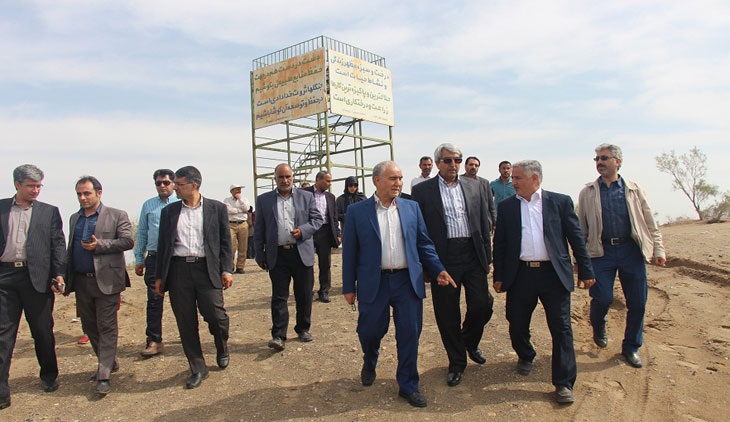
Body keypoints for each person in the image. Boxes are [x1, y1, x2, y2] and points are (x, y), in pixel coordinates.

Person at [342, 160, 455, 408]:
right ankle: (370, 359)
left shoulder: (411, 208)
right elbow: (349, 252)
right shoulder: (357, 212)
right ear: (377, 180)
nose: (398, 183)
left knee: (409, 334)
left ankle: (408, 385)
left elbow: (424, 243)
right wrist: (348, 286)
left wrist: (438, 269)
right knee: (369, 331)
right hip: (375, 282)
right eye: (393, 178)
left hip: (407, 281)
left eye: (400, 178)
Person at [492, 160, 595, 404]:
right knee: (516, 322)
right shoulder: (507, 207)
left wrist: (586, 270)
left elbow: (576, 238)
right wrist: (499, 275)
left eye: (518, 178)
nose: (513, 182)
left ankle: (564, 383)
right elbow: (501, 244)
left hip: (553, 275)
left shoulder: (559, 202)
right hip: (521, 275)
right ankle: (526, 354)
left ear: (535, 178)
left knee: (561, 328)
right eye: (513, 178)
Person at [411, 143, 494, 387]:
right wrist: (428, 266)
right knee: (447, 313)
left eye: (457, 160)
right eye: (448, 160)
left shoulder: (475, 186)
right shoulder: (423, 191)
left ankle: (468, 340)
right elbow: (419, 231)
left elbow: (484, 223)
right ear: (438, 163)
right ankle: (457, 362)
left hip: (472, 253)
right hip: (443, 258)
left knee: (482, 304)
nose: (453, 164)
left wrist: (487, 258)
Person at [577, 144, 667, 368]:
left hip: (631, 251)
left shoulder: (634, 190)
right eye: (597, 159)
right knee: (602, 298)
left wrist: (659, 249)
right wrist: (580, 260)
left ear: (617, 162)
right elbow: (581, 229)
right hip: (601, 252)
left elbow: (650, 223)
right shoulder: (588, 192)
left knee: (638, 302)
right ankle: (599, 326)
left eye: (604, 158)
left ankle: (631, 347)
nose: (599, 162)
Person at [154, 166, 233, 389]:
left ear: (194, 185)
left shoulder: (216, 208)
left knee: (216, 316)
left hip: (207, 269)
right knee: (185, 321)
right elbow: (163, 246)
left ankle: (221, 345)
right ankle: (198, 367)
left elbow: (225, 242)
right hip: (178, 271)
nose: (174, 188)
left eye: (179, 184)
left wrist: (227, 270)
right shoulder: (169, 212)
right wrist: (159, 276)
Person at [0, 165, 66, 410]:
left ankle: (49, 375)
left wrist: (59, 274)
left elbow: (58, 244)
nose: (36, 190)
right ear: (17, 184)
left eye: (39, 186)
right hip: (4, 277)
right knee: (3, 336)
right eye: (31, 186)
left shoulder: (49, 212)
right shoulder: (1, 208)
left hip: (36, 278)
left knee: (42, 330)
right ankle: (2, 391)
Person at [66, 176, 133, 397]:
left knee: (107, 326)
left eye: (87, 193)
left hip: (107, 280)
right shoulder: (75, 218)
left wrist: (99, 245)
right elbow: (70, 249)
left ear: (99, 193)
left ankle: (103, 375)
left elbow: (127, 241)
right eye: (79, 194)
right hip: (81, 281)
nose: (82, 198)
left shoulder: (116, 215)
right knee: (90, 326)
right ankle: (109, 361)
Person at [254, 164, 323, 351]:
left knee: (304, 294)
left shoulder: (306, 197)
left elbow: (317, 220)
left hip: (301, 253)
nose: (285, 180)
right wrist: (259, 254)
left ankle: (303, 328)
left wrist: (303, 230)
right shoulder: (264, 200)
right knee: (279, 296)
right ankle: (278, 335)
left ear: (293, 178)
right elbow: (259, 228)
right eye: (281, 177)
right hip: (278, 255)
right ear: (275, 179)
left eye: (288, 177)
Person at [134, 169, 178, 358]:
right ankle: (154, 340)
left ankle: (189, 338)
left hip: (176, 257)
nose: (162, 186)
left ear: (173, 183)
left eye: (166, 182)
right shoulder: (148, 205)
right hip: (154, 258)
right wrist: (139, 258)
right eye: (158, 183)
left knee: (183, 299)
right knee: (154, 300)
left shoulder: (181, 203)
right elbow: (142, 232)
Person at [302, 171, 340, 303]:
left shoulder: (331, 197)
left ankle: (324, 291)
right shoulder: (304, 193)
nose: (330, 184)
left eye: (330, 181)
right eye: (327, 181)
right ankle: (307, 291)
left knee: (325, 263)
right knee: (306, 263)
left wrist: (337, 233)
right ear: (318, 180)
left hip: (325, 231)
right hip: (308, 230)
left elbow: (334, 217)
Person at [462, 156, 497, 227]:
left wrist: (494, 222)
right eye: (471, 164)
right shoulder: (459, 181)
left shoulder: (484, 183)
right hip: (465, 222)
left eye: (476, 165)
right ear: (465, 166)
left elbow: (491, 204)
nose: (473, 167)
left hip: (483, 221)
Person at [224, 184, 251, 274]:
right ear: (232, 191)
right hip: (231, 224)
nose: (239, 191)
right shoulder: (227, 200)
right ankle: (230, 266)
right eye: (236, 189)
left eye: (239, 189)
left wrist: (240, 200)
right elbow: (228, 210)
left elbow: (247, 208)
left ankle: (240, 266)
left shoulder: (244, 200)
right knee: (231, 246)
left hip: (242, 224)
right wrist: (240, 210)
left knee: (243, 246)